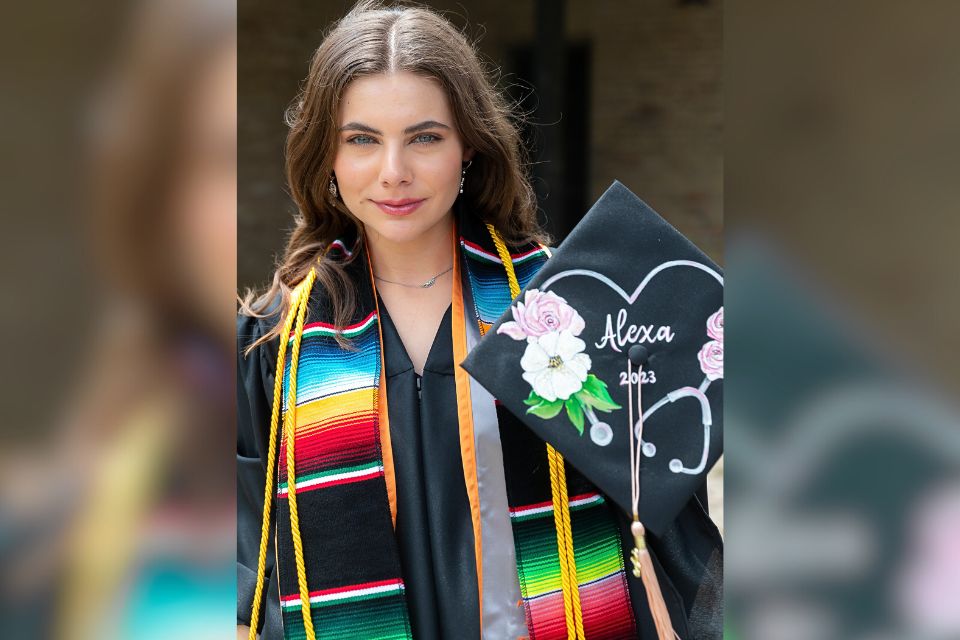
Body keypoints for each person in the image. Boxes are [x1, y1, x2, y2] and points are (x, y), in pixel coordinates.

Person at [237, 2, 721, 639]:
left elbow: (668, 518)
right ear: (325, 156)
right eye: (362, 139)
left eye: (425, 137)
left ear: (469, 145)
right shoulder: (276, 339)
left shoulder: (565, 307)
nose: (394, 172)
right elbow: (248, 569)